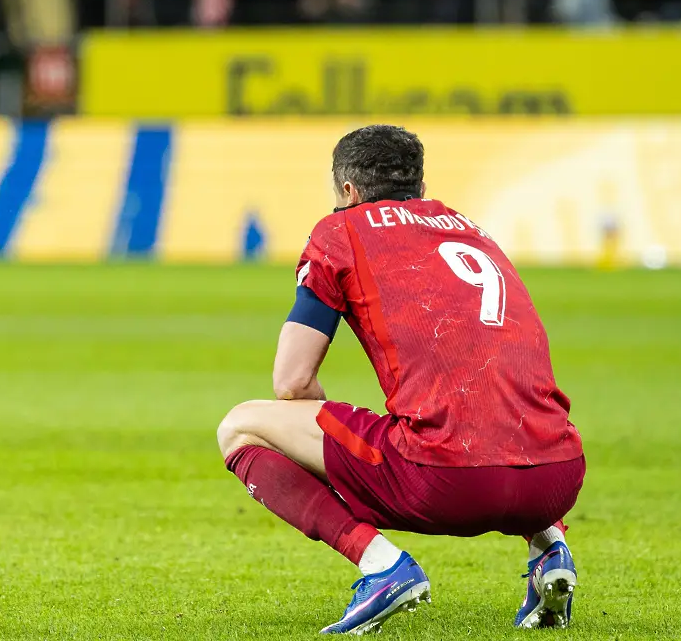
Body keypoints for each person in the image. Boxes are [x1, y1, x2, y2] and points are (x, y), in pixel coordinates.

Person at [217, 125, 584, 634]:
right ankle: (551, 550)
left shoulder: (340, 230)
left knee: (240, 427)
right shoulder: (471, 229)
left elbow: (292, 382)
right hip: (557, 477)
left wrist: (330, 446)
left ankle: (382, 566)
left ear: (348, 191)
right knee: (500, 412)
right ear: (421, 187)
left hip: (448, 480)